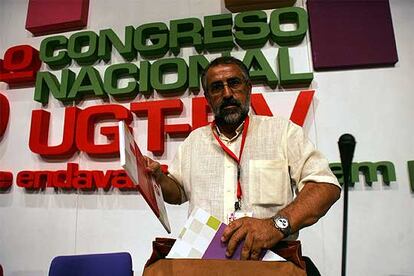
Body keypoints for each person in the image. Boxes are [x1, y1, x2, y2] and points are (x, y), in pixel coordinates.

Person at [145, 56, 341, 261]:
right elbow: (178, 192)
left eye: (234, 83)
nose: (227, 93)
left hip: (270, 259)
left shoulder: (282, 132)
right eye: (216, 87)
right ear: (208, 98)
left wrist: (275, 225)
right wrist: (159, 179)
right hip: (206, 260)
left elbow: (325, 186)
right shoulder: (193, 142)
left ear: (249, 88)